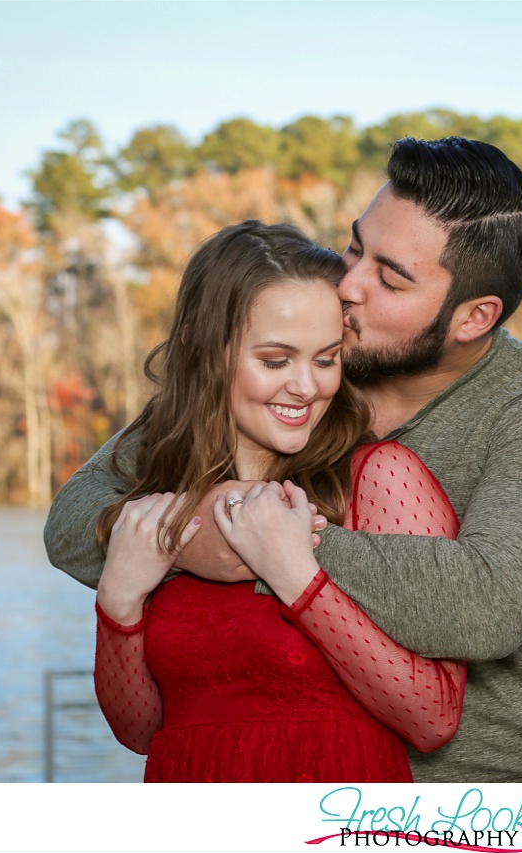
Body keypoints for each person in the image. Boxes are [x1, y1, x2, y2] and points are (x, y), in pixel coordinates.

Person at [46, 137, 522, 783]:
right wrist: (190, 528)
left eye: (389, 277)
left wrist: (265, 539)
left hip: (480, 801)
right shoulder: (306, 365)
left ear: (472, 317)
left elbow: (486, 602)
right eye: (355, 247)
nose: (347, 285)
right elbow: (72, 520)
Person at [89, 220, 466, 782]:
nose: (306, 386)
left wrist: (295, 576)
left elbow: (433, 717)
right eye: (275, 360)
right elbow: (143, 732)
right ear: (202, 349)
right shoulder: (166, 497)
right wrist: (117, 601)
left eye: (325, 358)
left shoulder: (379, 479)